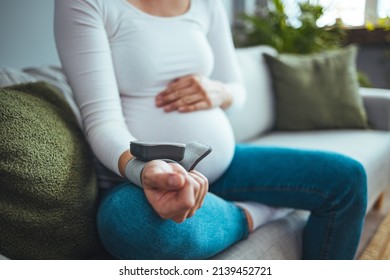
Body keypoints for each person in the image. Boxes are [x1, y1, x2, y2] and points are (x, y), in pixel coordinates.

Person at [54, 0, 367, 260]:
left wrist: (218, 92)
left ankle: (223, 208)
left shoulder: (206, 4)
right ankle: (255, 213)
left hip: (225, 163)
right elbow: (102, 121)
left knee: (347, 179)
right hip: (139, 181)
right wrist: (143, 168)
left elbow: (237, 91)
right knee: (128, 223)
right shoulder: (88, 4)